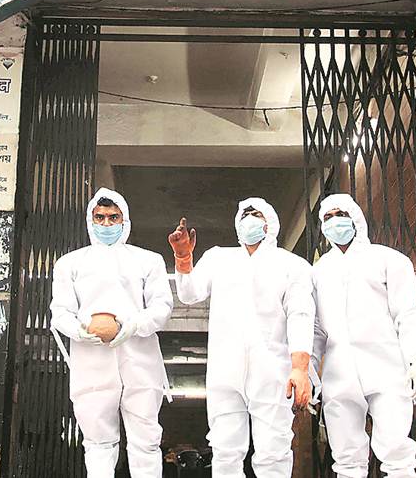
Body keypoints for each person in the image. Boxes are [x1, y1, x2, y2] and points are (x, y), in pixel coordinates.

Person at [168, 198, 314, 478]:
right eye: (245, 214)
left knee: (273, 450)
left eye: (256, 214)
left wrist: (300, 367)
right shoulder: (218, 258)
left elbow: (301, 315)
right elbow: (189, 294)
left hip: (272, 370)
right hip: (225, 369)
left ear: (269, 222)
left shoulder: (292, 266)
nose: (249, 219)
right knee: (224, 448)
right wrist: (184, 259)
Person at [50, 188, 173, 478]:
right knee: (97, 442)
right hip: (91, 362)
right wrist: (81, 330)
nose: (106, 224)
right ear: (90, 220)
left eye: (113, 217)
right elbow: (60, 312)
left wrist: (132, 325)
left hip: (140, 359)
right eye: (100, 217)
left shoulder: (148, 260)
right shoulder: (70, 263)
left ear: (125, 219)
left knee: (146, 439)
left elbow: (162, 307)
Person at [311, 193, 416, 478]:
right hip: (338, 376)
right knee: (346, 460)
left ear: (355, 217)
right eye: (327, 217)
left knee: (397, 454)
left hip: (386, 368)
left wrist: (415, 359)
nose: (334, 222)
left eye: (340, 214)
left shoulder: (388, 260)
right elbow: (315, 329)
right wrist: (311, 369)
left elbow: (407, 314)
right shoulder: (317, 272)